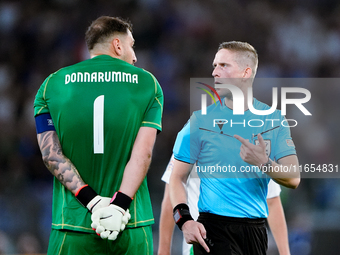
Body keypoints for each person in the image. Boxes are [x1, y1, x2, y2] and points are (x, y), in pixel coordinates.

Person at [33, 16, 163, 255]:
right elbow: (142, 154)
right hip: (131, 225)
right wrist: (119, 206)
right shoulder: (148, 84)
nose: (134, 56)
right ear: (117, 45)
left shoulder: (52, 84)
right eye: (132, 45)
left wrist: (92, 201)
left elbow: (51, 155)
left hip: (73, 226)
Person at [169, 41, 300, 254]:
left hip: (256, 231)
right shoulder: (200, 121)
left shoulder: (274, 119)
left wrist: (263, 162)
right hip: (212, 230)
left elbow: (293, 178)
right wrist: (184, 220)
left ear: (246, 72)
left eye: (223, 65)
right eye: (214, 65)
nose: (214, 72)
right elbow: (176, 177)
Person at [158, 155, 291, 255]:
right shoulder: (194, 134)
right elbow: (171, 196)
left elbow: (272, 200)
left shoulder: (256, 144)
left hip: (247, 242)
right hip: (205, 243)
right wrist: (163, 251)